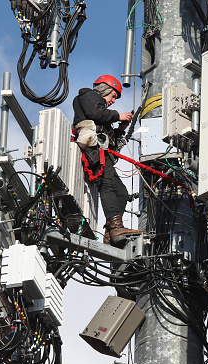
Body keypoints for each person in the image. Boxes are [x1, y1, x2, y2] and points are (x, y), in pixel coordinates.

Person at [72, 74, 143, 244]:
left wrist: (120, 129)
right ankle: (116, 228)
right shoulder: (88, 96)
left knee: (122, 193)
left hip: (102, 152)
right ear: (105, 89)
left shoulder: (101, 113)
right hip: (94, 151)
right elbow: (95, 112)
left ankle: (110, 232)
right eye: (113, 96)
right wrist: (118, 116)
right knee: (108, 185)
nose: (113, 101)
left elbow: (110, 140)